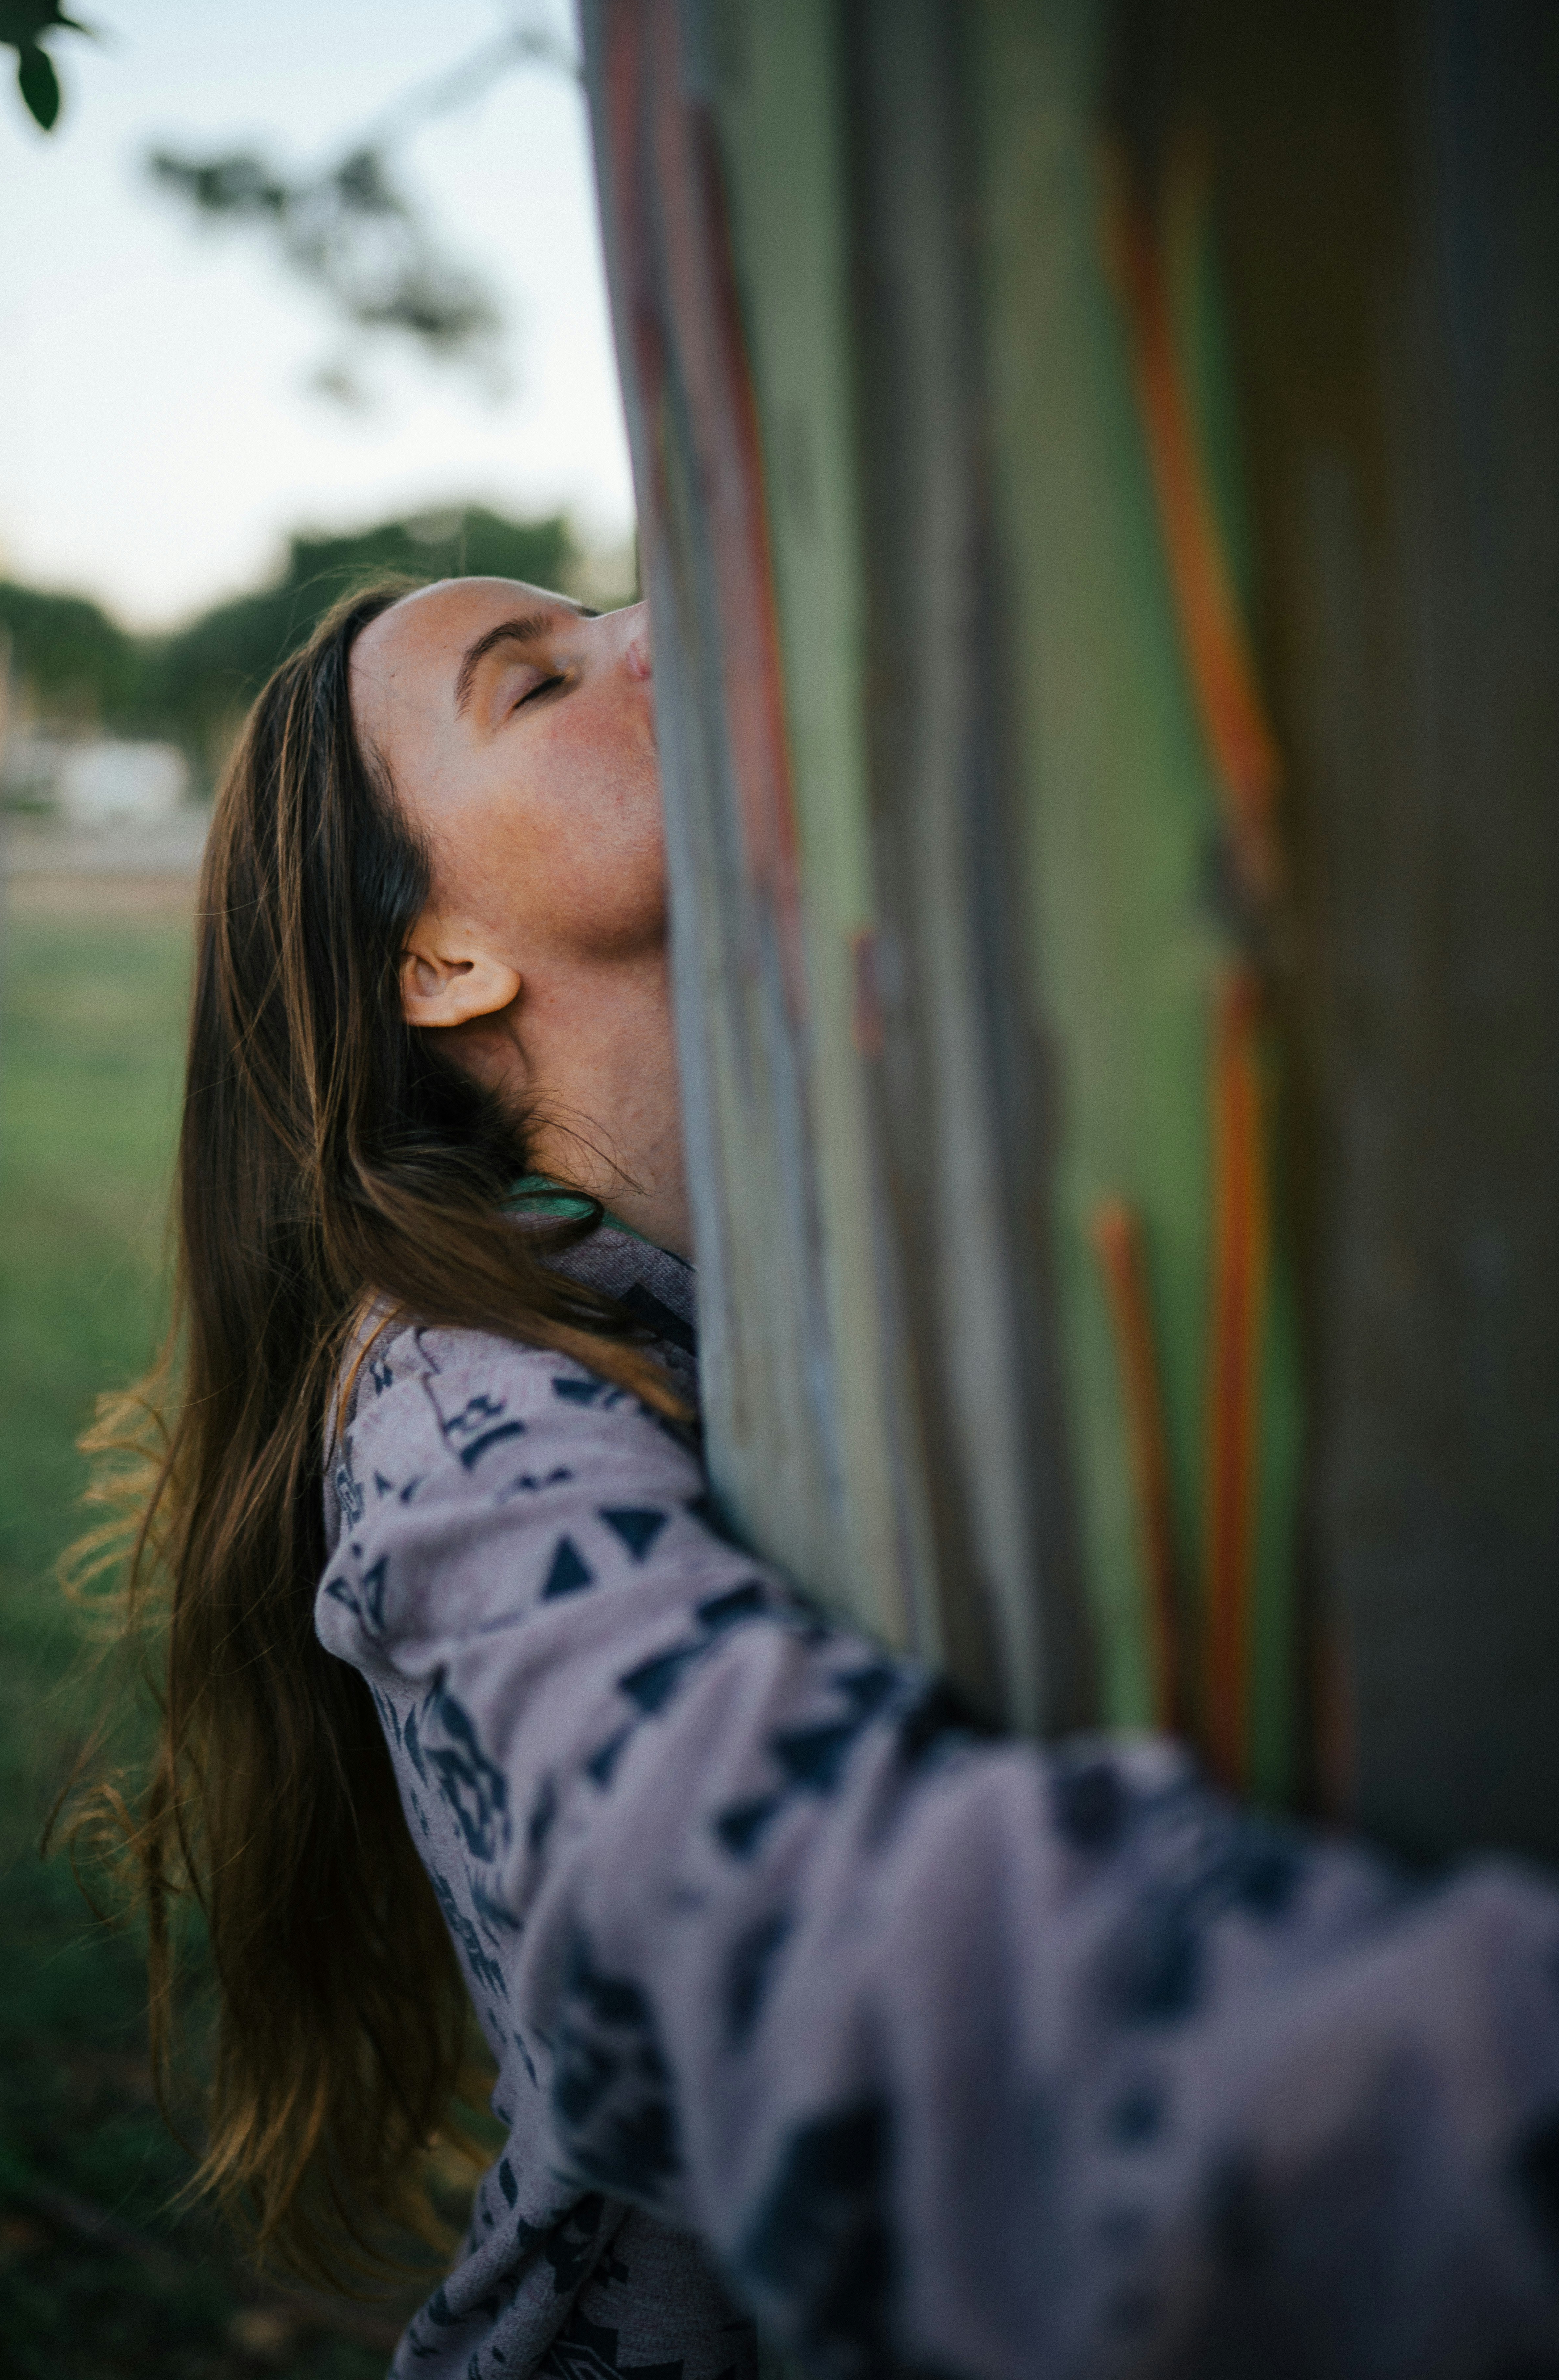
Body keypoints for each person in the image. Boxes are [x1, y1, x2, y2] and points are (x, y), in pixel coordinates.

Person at [82, 575, 1559, 2380]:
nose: (650, 629)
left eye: (611, 606)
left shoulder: (888, 1206)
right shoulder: (452, 1412)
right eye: (535, 685)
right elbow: (805, 1959)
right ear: (441, 960)